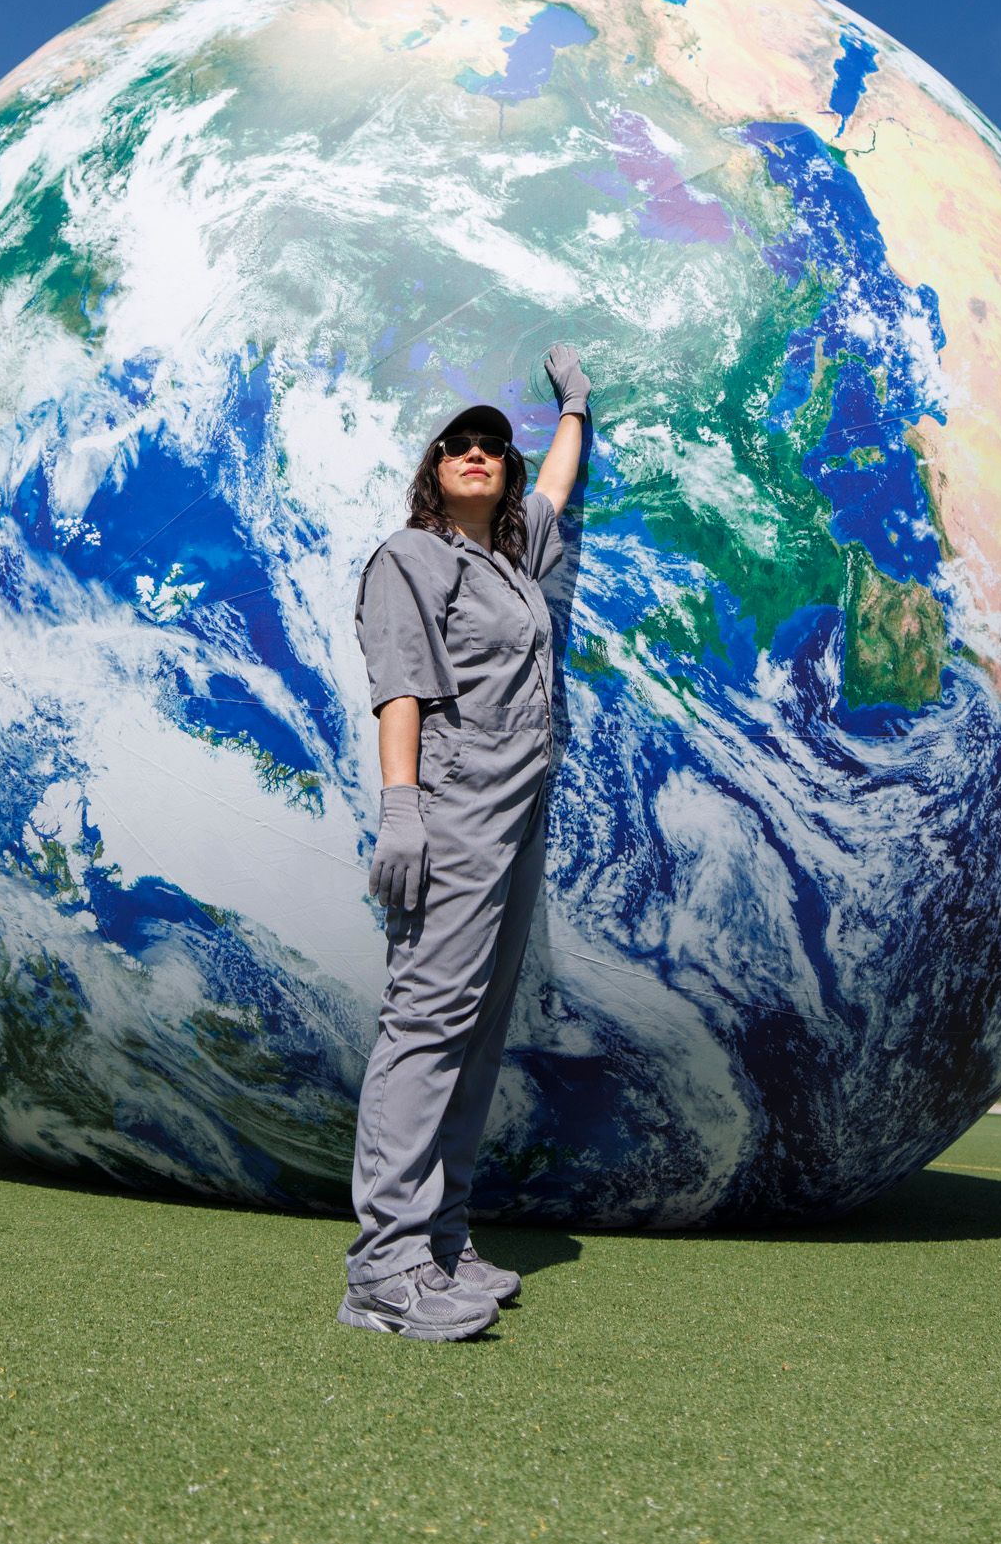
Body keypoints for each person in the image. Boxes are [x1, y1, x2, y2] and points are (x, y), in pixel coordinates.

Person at [338, 344, 591, 1340]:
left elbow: (558, 493)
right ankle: (384, 1268)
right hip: (452, 800)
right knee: (429, 1020)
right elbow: (400, 684)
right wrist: (402, 805)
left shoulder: (512, 562)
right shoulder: (411, 557)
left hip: (520, 810)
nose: (478, 451)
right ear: (434, 469)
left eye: (494, 445)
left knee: (480, 1031)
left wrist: (577, 406)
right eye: (460, 443)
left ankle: (443, 1239)